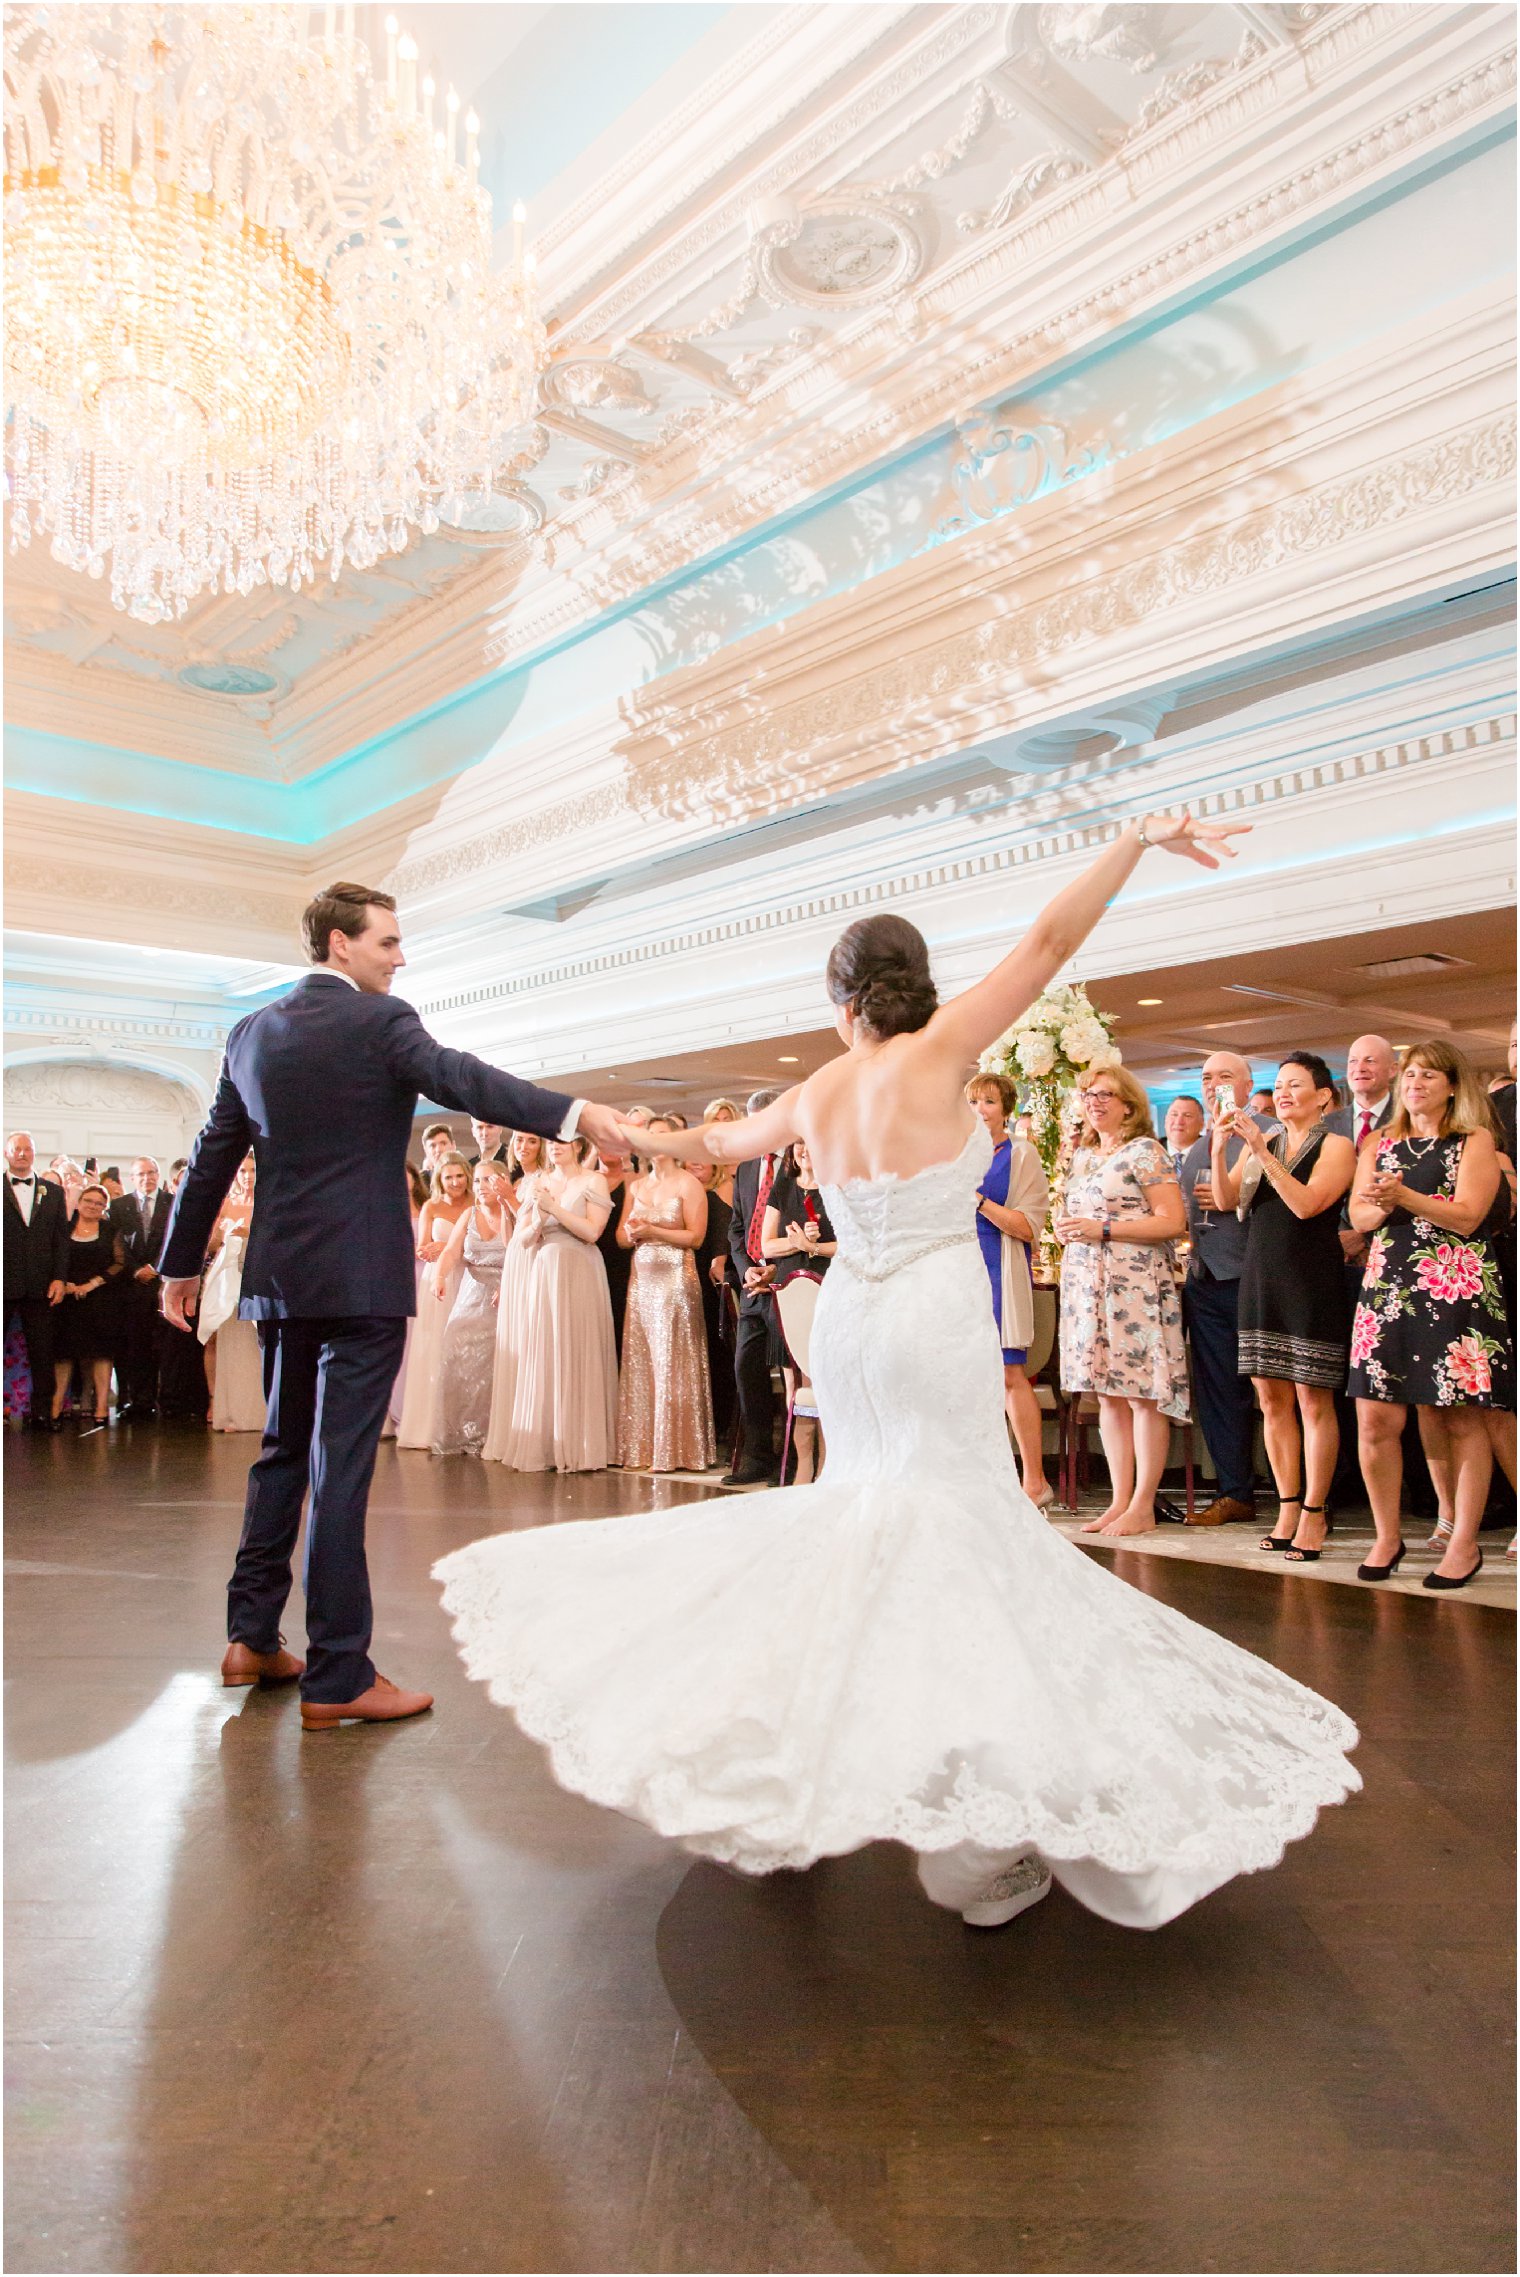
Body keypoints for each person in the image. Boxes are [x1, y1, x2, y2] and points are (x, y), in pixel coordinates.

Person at [437, 811, 1361, 1936]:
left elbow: (705, 1149)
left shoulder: (814, 1092)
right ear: (912, 984)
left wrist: (603, 1127)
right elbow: (1047, 944)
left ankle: (794, 1771)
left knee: (857, 1521)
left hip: (852, 1321)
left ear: (840, 1001)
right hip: (928, 1309)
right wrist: (1129, 841)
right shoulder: (941, 1052)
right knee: (951, 1533)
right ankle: (967, 1844)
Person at [159, 878, 625, 1729]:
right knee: (341, 1468)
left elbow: (210, 1155)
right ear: (341, 944)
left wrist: (177, 1265)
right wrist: (575, 1112)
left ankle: (249, 1635)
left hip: (280, 1280)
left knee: (281, 1453)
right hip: (363, 1278)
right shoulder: (383, 1022)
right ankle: (338, 1674)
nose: (400, 956)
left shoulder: (250, 1033)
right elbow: (466, 1079)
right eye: (387, 942)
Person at [1347, 1040, 1512, 1589]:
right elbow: (1361, 1213)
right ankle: (1387, 1536)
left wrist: (1404, 1198)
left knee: (1459, 1417)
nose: (1416, 1083)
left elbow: (1468, 1216)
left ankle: (1464, 1544)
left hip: (1454, 1285)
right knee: (1374, 1418)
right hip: (1388, 1289)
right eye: (1410, 1074)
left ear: (1451, 1086)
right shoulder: (1379, 1141)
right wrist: (1382, 1203)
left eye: (1429, 1075)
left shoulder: (1474, 1140)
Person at [1211, 1055, 1355, 1562]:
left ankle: (1316, 1510)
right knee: (1270, 1400)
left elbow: (1307, 1204)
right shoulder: (1265, 1141)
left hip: (1310, 1279)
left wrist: (1258, 1149)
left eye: (1296, 1085)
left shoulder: (1337, 1145)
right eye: (1279, 1085)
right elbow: (1226, 1201)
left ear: (1324, 1097)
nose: (1285, 1093)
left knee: (1313, 1399)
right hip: (1261, 1276)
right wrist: (1220, 1141)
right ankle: (1287, 1505)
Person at [1055, 1064, 1188, 1538]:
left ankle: (1144, 1504)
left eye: (1106, 1094)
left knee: (1141, 1396)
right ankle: (1118, 1500)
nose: (1095, 1101)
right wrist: (1069, 1228)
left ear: (1129, 1104)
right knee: (1107, 1395)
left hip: (1134, 1285)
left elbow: (1173, 1221)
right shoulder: (1084, 1155)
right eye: (1089, 1094)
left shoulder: (1145, 1152)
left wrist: (1104, 1229)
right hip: (1087, 1283)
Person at [1176, 1054, 1277, 1527]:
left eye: (1225, 1077)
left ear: (1248, 1084)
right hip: (1205, 1276)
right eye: (1206, 1077)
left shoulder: (1271, 1132)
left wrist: (1226, 1195)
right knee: (1218, 1391)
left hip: (1255, 1277)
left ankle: (1298, 1494)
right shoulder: (1198, 1146)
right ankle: (1234, 1490)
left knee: (1275, 1390)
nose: (1214, 1084)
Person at [504, 1137, 618, 1471]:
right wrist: (539, 1220)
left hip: (579, 1267)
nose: (555, 1147)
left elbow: (592, 1232)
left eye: (562, 1142)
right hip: (545, 1267)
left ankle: (582, 1445)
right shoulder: (538, 1183)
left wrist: (554, 1209)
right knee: (546, 1350)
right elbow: (522, 1238)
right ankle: (547, 1445)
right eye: (551, 1142)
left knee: (577, 1347)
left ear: (578, 1146)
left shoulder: (593, 1180)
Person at [967, 1072, 1051, 1506]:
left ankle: (1034, 1481)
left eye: (989, 1102)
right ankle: (980, 1477)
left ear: (1006, 1109)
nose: (980, 1110)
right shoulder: (954, 1155)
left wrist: (979, 1201)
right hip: (958, 1271)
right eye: (974, 1102)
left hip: (998, 1268)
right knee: (963, 1377)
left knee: (1007, 1374)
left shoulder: (1021, 1155)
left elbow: (1027, 1225)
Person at [616, 1119, 715, 1473]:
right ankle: (645, 1448)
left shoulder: (689, 1183)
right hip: (641, 1281)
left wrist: (653, 1229)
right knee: (645, 1363)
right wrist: (633, 1233)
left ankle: (680, 1450)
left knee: (674, 1363)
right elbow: (621, 1239)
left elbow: (696, 1237)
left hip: (675, 1279)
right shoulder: (636, 1185)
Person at [761, 1136, 837, 1485]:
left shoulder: (836, 1187)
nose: (805, 1149)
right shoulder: (783, 1187)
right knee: (797, 1387)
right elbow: (765, 1244)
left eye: (811, 1142)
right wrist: (796, 1244)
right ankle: (803, 1465)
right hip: (790, 1295)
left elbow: (851, 1244)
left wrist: (815, 1247)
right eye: (799, 1144)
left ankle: (828, 1464)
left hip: (828, 1288)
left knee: (826, 1384)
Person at [721, 1088, 784, 1486]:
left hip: (787, 1281)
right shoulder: (746, 1168)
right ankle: (758, 1457)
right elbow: (737, 1229)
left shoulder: (797, 1164)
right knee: (747, 1370)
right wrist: (746, 1270)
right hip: (752, 1286)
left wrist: (774, 1270)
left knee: (795, 1375)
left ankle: (794, 1459)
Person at [432, 1161, 511, 1456]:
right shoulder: (470, 1214)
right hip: (471, 1294)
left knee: (495, 1363)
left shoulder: (510, 1213)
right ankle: (460, 1432)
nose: (480, 1187)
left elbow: (520, 1254)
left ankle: (490, 1434)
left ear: (501, 1182)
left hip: (505, 1294)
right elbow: (452, 1250)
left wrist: (510, 1286)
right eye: (477, 1181)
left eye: (488, 1180)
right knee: (455, 1350)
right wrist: (440, 1276)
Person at [395, 1152, 473, 1448]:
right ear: (440, 1179)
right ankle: (429, 1426)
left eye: (459, 1176)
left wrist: (451, 1246)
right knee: (434, 1348)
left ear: (467, 1175)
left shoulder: (475, 1204)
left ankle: (466, 1425)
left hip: (468, 1277)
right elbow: (423, 1248)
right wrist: (436, 1248)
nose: (455, 1182)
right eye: (448, 1177)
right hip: (438, 1280)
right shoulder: (432, 1205)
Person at [482, 1135, 549, 1463]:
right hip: (516, 1261)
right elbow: (510, 1235)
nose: (523, 1146)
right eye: (519, 1140)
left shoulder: (543, 1181)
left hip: (536, 1258)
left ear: (541, 1147)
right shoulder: (518, 1181)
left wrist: (509, 1199)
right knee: (513, 1342)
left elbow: (535, 1225)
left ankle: (534, 1426)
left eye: (531, 1141)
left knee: (530, 1338)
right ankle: (511, 1428)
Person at [3, 1130, 69, 1430]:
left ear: (34, 1154)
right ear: (6, 1154)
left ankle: (42, 1413)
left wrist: (59, 1278)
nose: (21, 1154)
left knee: (43, 1352)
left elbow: (61, 1240)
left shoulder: (52, 1192)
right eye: (16, 1149)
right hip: (4, 1282)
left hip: (42, 1284)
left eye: (27, 1149)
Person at [51, 1181, 125, 1432]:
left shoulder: (110, 1229)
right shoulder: (64, 1228)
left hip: (101, 1301)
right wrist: (65, 1283)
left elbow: (119, 1263)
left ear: (104, 1208)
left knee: (102, 1354)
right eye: (88, 1201)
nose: (93, 1206)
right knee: (63, 1355)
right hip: (67, 1300)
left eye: (99, 1203)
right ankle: (56, 1405)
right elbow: (55, 1257)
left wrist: (90, 1285)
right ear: (78, 1203)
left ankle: (102, 1407)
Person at [199, 1160, 267, 1433]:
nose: (248, 1176)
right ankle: (220, 1401)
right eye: (243, 1171)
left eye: (253, 1170)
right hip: (227, 1278)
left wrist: (249, 1233)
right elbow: (211, 1244)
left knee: (256, 1341)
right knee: (220, 1338)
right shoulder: (226, 1203)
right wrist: (222, 1235)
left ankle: (257, 1407)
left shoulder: (269, 1200)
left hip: (259, 1275)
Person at [108, 1155, 172, 1419]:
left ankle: (167, 1399)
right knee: (135, 1346)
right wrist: (135, 1269)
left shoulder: (172, 1202)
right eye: (141, 1174)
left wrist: (156, 1267)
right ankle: (138, 1400)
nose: (147, 1178)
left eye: (151, 1172)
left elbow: (175, 1239)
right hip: (130, 1286)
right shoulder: (119, 1205)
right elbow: (116, 1244)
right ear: (132, 1178)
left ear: (158, 1174)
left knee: (164, 1345)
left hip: (163, 1284)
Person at [1163, 1097, 1204, 1185]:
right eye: (1174, 1114)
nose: (1179, 1121)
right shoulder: (1149, 1152)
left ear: (1201, 1124)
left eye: (1187, 1115)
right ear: (1165, 1120)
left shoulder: (1215, 1153)